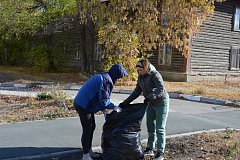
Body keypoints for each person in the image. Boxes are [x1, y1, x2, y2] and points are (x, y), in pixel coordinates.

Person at [74, 64, 128, 160]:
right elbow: (104, 101)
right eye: (119, 77)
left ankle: (88, 150)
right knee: (88, 128)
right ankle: (86, 155)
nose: (119, 79)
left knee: (91, 126)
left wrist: (106, 112)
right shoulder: (106, 80)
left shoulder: (105, 76)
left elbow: (102, 99)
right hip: (83, 105)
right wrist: (114, 107)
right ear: (116, 74)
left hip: (83, 103)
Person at [119, 59, 169, 160]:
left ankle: (160, 152)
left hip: (161, 103)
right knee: (150, 126)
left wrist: (150, 96)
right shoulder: (141, 76)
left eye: (140, 70)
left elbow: (160, 89)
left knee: (160, 128)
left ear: (145, 67)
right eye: (137, 70)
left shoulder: (155, 75)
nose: (138, 72)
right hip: (150, 103)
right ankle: (150, 148)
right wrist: (125, 102)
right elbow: (137, 91)